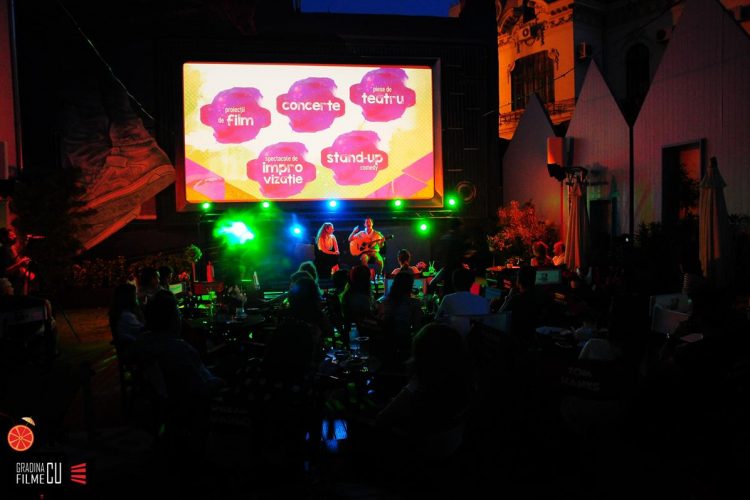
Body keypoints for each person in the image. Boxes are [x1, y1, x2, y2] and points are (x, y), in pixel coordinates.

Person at [0, 227, 33, 295]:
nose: (15, 237)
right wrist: (20, 263)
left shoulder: (10, 249)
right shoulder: (3, 251)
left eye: (14, 235)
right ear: (3, 238)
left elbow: (14, 264)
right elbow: (4, 271)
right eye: (11, 235)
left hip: (15, 283)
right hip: (7, 284)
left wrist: (23, 263)